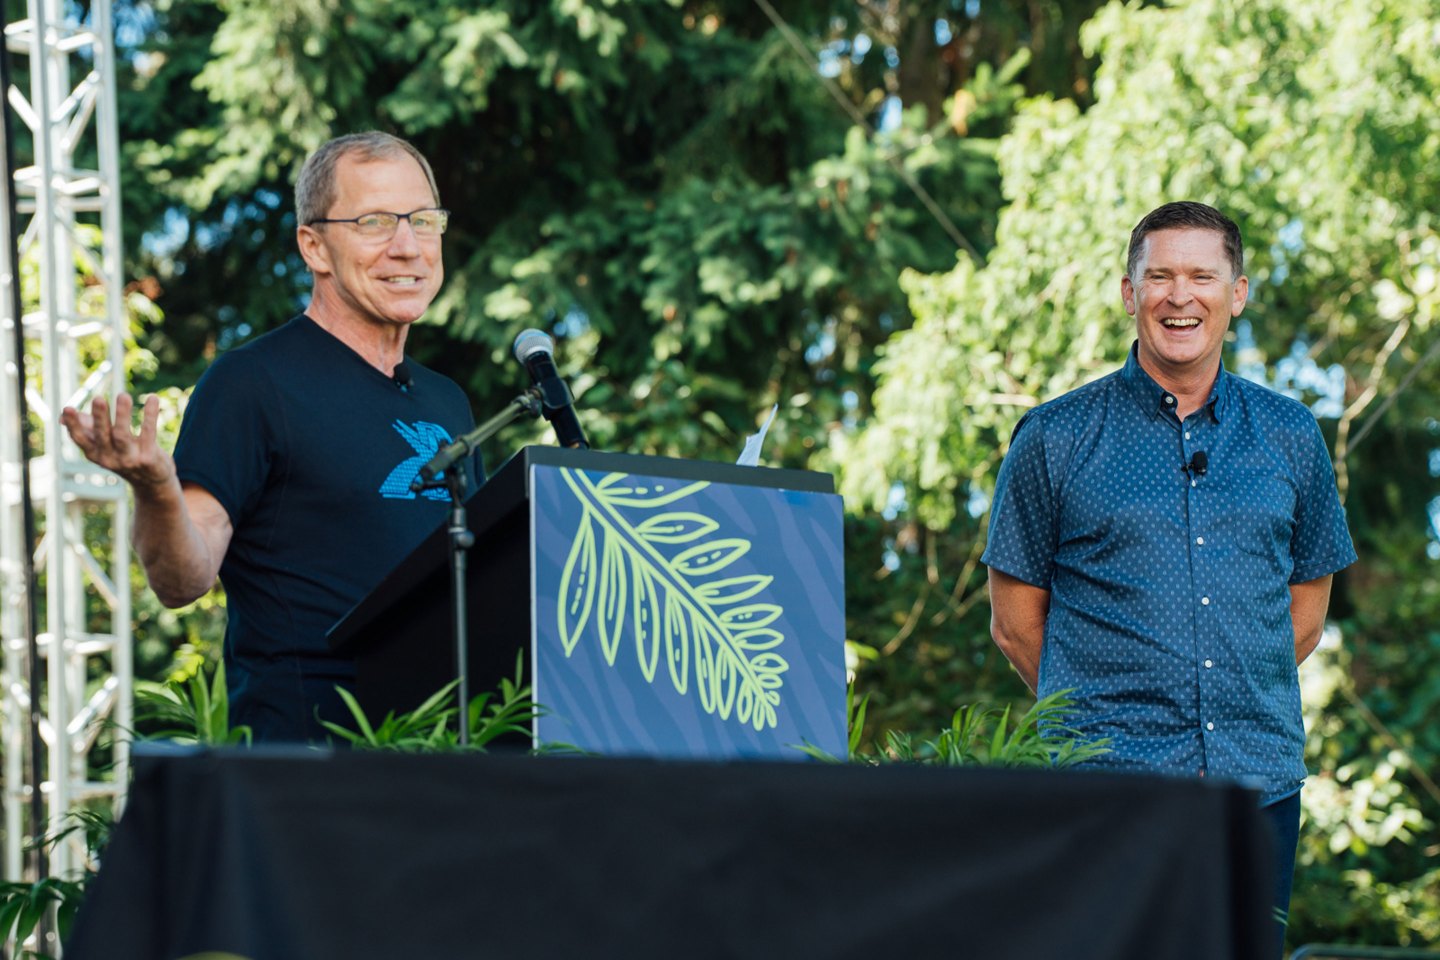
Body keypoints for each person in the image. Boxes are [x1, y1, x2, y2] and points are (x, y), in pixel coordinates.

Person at [982, 201, 1356, 953]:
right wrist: (1103, 728)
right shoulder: (1054, 437)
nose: (1179, 296)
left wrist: (1228, 694)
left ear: (1237, 294)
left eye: (1201, 277)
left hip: (1257, 790)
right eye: (1159, 276)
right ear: (1130, 293)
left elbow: (1305, 617)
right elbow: (1016, 628)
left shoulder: (1291, 435)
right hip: (1105, 797)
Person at [60, 132, 482, 742]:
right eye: (374, 222)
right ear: (314, 246)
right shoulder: (252, 383)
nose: (407, 246)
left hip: (450, 753)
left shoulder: (448, 401)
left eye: (422, 220)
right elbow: (182, 580)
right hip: (309, 760)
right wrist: (156, 488)